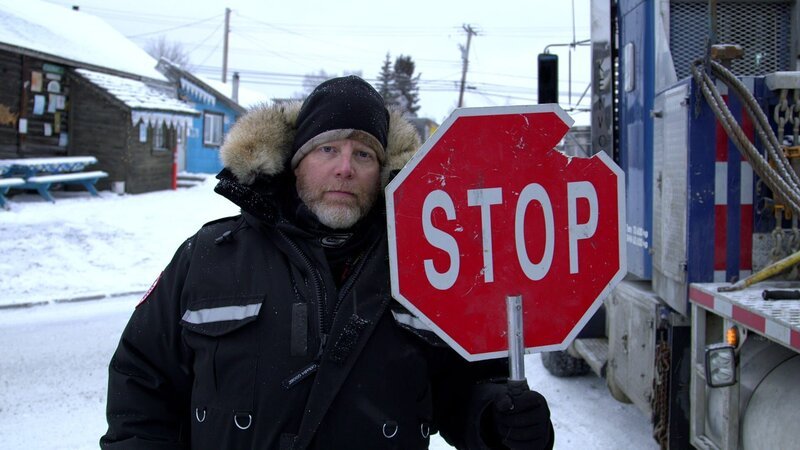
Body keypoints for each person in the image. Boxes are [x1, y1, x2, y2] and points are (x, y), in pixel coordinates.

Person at [100, 75, 554, 450]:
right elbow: (141, 383)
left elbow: (462, 388)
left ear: (384, 174)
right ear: (294, 163)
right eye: (327, 150)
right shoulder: (210, 256)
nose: (345, 168)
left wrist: (498, 419)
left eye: (364, 154)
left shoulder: (428, 267)